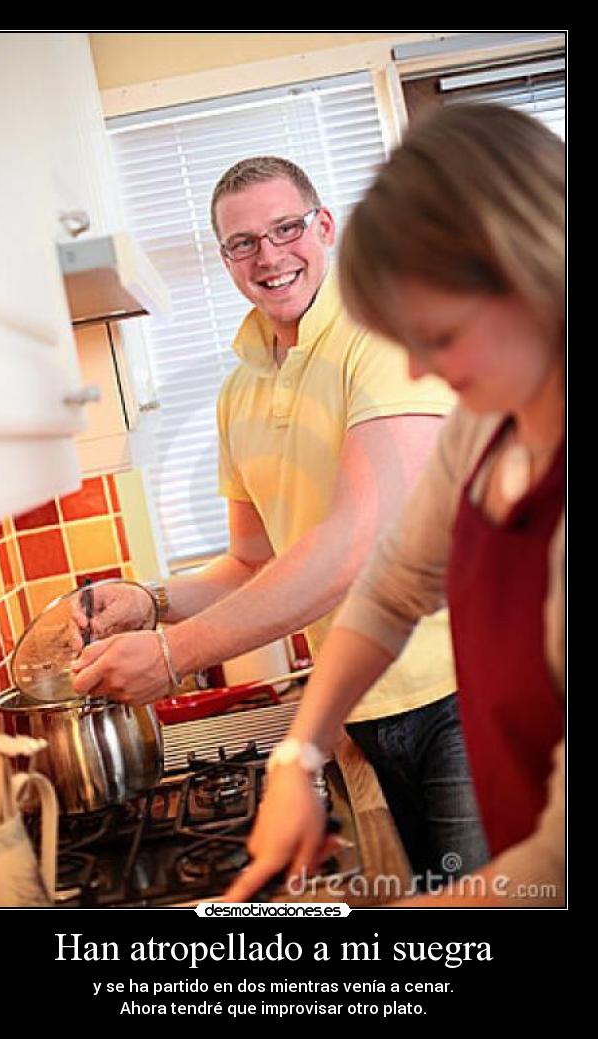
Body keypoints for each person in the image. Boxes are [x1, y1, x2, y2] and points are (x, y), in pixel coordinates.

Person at [71, 155, 488, 883]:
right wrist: (151, 599)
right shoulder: (241, 389)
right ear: (226, 258)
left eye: (285, 227)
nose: (269, 256)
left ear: (323, 227)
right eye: (242, 242)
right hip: (366, 702)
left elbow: (360, 540)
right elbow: (250, 560)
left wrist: (172, 655)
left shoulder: (384, 334)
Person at [223, 104, 565, 907]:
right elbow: (390, 587)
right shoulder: (483, 432)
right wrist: (296, 755)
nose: (413, 364)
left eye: (438, 332)